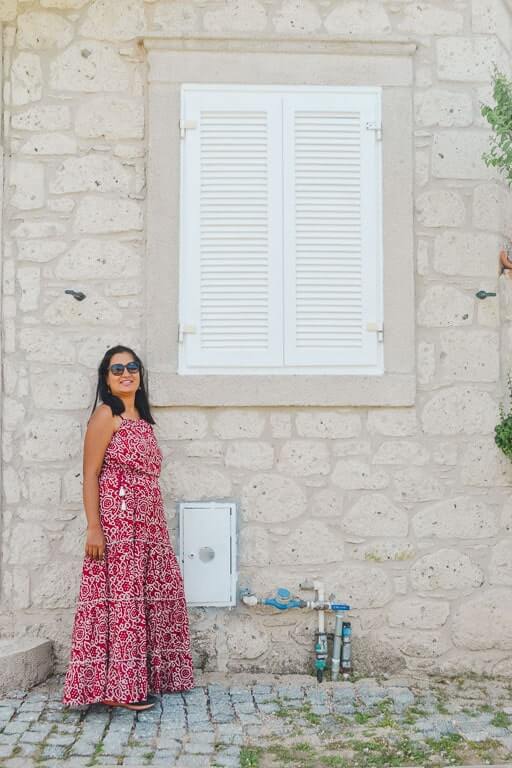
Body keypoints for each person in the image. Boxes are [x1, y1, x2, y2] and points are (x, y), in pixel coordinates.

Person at [62, 345, 195, 710]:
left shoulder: (142, 417)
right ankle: (118, 689)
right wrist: (94, 528)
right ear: (106, 378)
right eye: (116, 368)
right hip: (118, 523)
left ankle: (143, 678)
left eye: (132, 367)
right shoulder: (107, 415)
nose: (125, 373)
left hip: (149, 524)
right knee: (124, 603)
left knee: (149, 599)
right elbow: (90, 475)